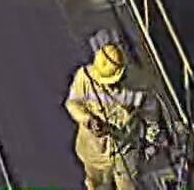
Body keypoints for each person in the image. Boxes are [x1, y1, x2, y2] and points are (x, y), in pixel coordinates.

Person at [64, 42, 160, 190]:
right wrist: (88, 120)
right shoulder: (85, 77)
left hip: (126, 149)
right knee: (98, 185)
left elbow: (151, 110)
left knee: (127, 186)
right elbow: (72, 103)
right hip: (95, 152)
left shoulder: (136, 89)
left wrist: (151, 136)